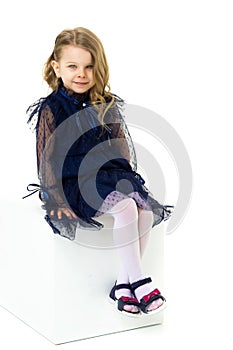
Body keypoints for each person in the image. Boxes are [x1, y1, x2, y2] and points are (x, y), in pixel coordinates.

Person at [24, 27, 173, 316]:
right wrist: (54, 198)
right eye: (73, 66)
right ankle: (139, 281)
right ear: (56, 67)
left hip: (109, 175)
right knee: (127, 209)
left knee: (143, 208)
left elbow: (122, 148)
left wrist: (128, 181)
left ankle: (123, 283)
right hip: (75, 182)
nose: (82, 73)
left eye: (89, 66)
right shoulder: (52, 109)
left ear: (98, 68)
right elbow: (46, 157)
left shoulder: (106, 104)